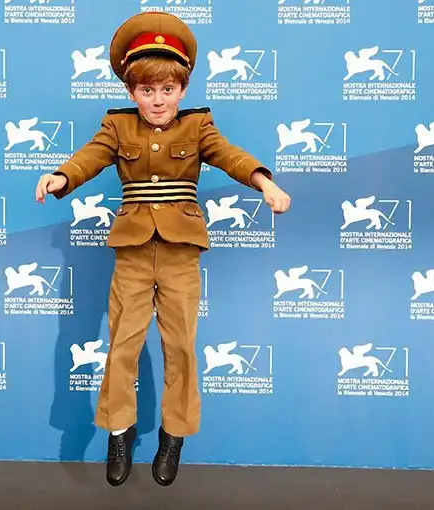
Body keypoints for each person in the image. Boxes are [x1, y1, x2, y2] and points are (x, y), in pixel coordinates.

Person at [35, 11, 291, 487]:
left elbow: (230, 156)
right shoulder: (117, 126)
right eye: (147, 90)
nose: (158, 100)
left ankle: (174, 437)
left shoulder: (198, 126)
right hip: (132, 250)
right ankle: (120, 431)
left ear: (183, 89)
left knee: (181, 347)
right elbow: (90, 157)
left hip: (180, 251)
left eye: (168, 89)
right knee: (122, 345)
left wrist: (263, 182)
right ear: (131, 91)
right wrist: (62, 177)